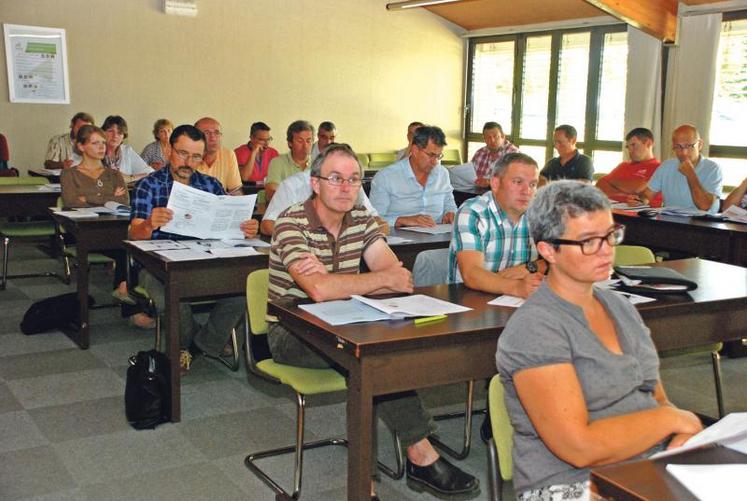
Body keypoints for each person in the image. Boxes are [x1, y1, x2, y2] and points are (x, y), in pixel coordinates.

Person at [268, 143, 479, 499]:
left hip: (347, 322)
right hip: (291, 331)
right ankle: (396, 468)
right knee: (369, 365)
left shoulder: (362, 220)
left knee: (377, 360)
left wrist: (346, 284)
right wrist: (362, 283)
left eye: (353, 179)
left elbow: (397, 276)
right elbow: (318, 291)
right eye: (335, 178)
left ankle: (413, 456)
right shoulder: (291, 222)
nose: (346, 187)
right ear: (315, 184)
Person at [497, 181, 702, 500]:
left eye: (610, 235)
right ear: (548, 250)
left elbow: (656, 398)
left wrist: (674, 441)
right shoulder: (534, 328)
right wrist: (673, 420)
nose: (606, 249)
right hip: (569, 481)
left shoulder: (621, 307)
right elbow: (579, 448)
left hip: (642, 462)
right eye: (588, 241)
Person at [129, 124, 259, 373]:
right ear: (169, 151)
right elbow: (133, 234)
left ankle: (195, 348)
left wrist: (244, 228)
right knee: (174, 299)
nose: (188, 162)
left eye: (196, 156)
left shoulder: (211, 185)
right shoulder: (150, 185)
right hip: (157, 265)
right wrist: (148, 224)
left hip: (203, 261)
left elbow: (226, 230)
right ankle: (201, 343)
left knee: (243, 291)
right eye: (182, 153)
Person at [448, 152, 544, 296]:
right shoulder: (473, 212)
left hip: (518, 302)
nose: (527, 191)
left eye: (533, 184)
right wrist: (518, 287)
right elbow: (471, 274)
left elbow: (559, 260)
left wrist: (529, 268)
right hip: (470, 303)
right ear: (495, 183)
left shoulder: (539, 213)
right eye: (518, 182)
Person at [60, 124, 132, 304]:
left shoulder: (114, 175)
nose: (102, 147)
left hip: (113, 228)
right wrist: (108, 198)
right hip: (83, 231)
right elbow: (71, 201)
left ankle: (123, 289)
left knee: (132, 247)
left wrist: (87, 198)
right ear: (81, 146)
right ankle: (123, 289)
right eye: (95, 143)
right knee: (123, 247)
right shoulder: (69, 174)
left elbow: (123, 202)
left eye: (103, 143)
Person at [259, 166, 388, 236]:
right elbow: (267, 225)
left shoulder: (351, 184)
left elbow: (378, 222)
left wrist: (376, 235)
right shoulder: (293, 186)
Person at [369, 125, 457, 228]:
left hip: (438, 237)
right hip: (400, 239)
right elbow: (374, 220)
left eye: (438, 156)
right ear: (415, 150)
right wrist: (401, 220)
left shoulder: (442, 174)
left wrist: (451, 213)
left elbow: (450, 204)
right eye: (431, 155)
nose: (435, 161)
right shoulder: (385, 177)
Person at [628, 124, 722, 213]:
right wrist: (639, 200)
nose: (684, 152)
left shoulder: (712, 169)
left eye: (689, 146)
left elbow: (705, 206)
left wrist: (690, 174)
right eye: (678, 147)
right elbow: (647, 196)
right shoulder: (666, 166)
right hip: (672, 222)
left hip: (702, 225)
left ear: (700, 145)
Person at [596, 128, 662, 206]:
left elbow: (637, 188)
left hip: (642, 215)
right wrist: (627, 196)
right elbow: (599, 184)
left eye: (633, 145)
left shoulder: (660, 168)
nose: (630, 150)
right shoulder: (623, 166)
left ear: (648, 143)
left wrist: (612, 182)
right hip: (616, 212)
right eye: (628, 147)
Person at [265, 120, 314, 201]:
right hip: (285, 211)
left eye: (308, 141)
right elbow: (271, 192)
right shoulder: (277, 162)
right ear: (290, 143)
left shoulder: (319, 164)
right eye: (300, 141)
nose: (305, 145)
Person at [193, 117, 243, 195]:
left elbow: (235, 190)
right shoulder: (189, 156)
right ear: (195, 137)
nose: (213, 138)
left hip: (220, 204)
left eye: (216, 132)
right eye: (207, 133)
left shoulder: (228, 154)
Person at [101, 115, 153, 183]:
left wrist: (130, 178)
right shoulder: (95, 150)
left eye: (119, 133)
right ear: (103, 132)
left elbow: (150, 173)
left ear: (124, 136)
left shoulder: (127, 151)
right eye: (111, 131)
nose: (115, 136)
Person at [470, 121, 519, 188]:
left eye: (496, 136)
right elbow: (470, 175)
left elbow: (515, 180)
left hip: (501, 194)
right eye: (488, 137)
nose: (492, 140)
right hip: (476, 192)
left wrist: (490, 183)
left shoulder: (513, 153)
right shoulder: (480, 153)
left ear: (503, 136)